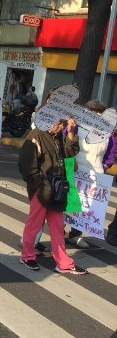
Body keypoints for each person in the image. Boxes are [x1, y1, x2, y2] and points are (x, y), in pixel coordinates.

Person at [18, 116, 87, 274]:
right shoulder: (35, 136)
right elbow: (26, 166)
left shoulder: (58, 136)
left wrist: (70, 134)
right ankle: (27, 255)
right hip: (42, 188)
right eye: (58, 123)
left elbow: (69, 154)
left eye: (62, 123)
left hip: (57, 188)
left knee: (57, 226)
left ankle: (63, 262)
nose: (60, 126)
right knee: (34, 224)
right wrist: (38, 185)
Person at [65, 100, 115, 248]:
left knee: (86, 207)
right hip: (75, 171)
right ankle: (59, 229)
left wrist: (105, 166)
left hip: (95, 176)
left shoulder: (107, 134)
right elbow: (66, 144)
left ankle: (76, 234)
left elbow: (110, 154)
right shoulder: (76, 127)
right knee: (69, 203)